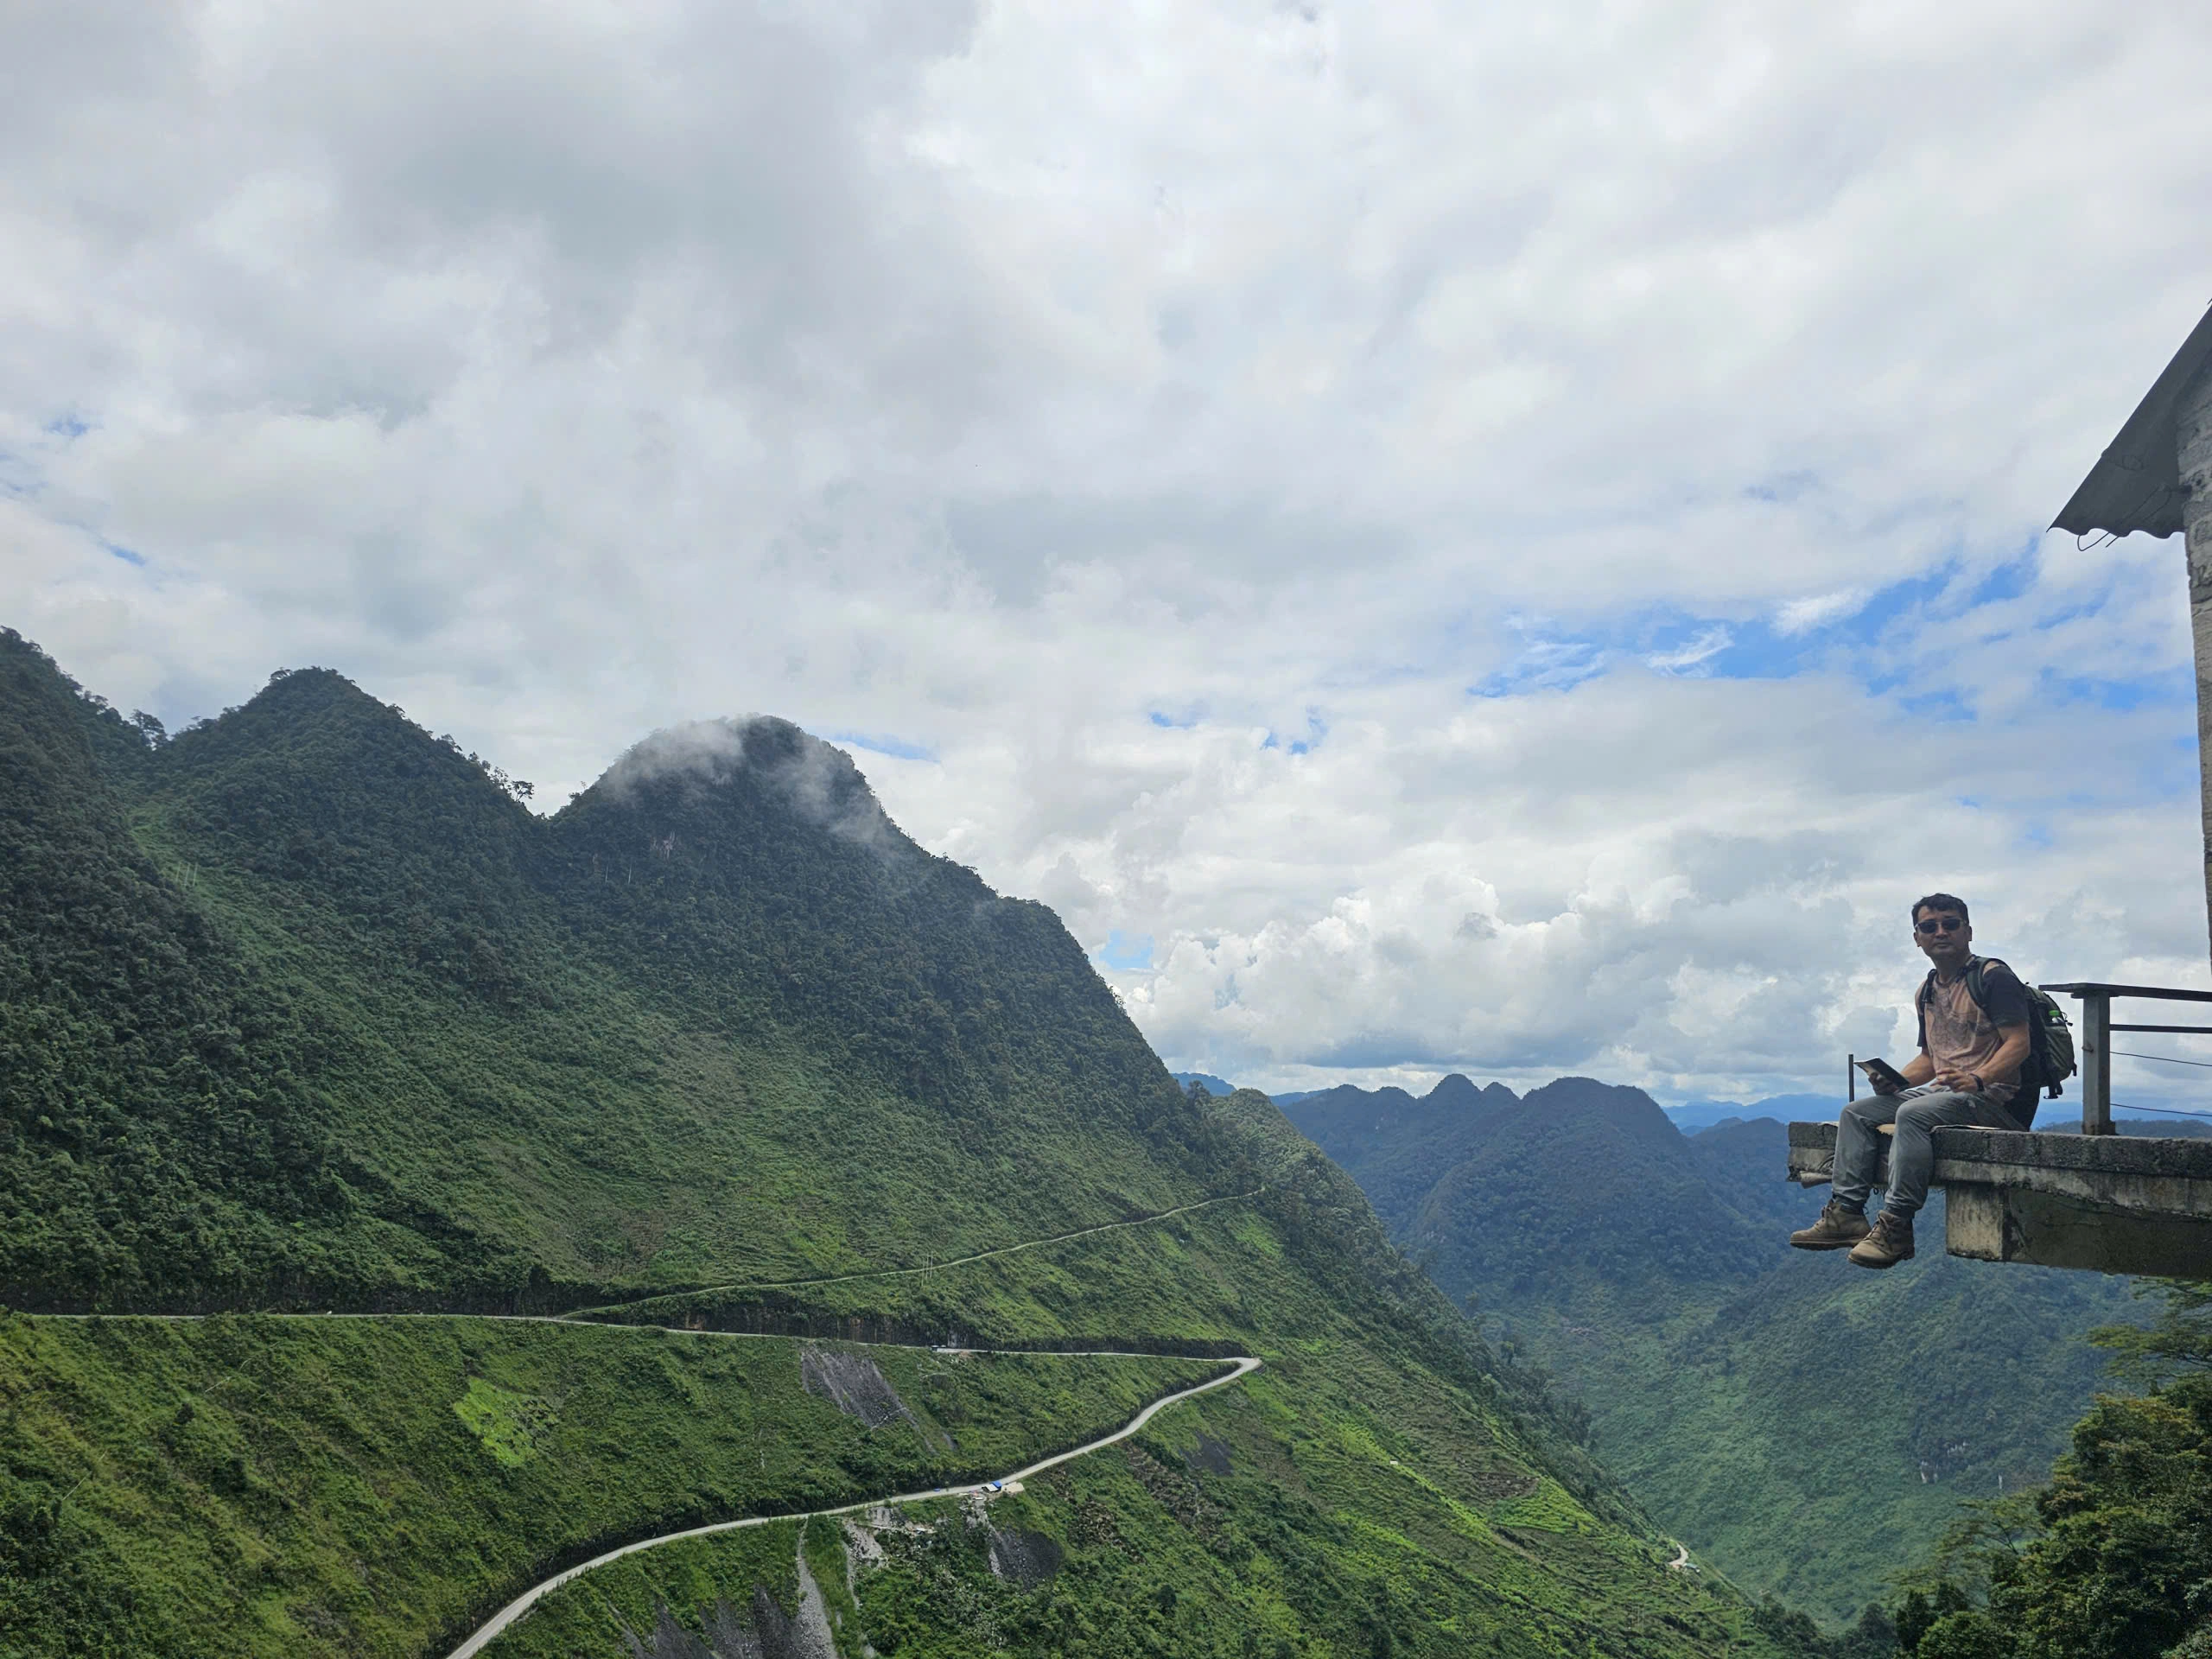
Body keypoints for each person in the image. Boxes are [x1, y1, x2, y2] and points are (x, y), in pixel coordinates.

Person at [1789, 893, 2033, 1268]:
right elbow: (1929, 1059)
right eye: (1929, 926)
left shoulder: (1993, 978)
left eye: (1950, 924)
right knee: (1856, 1113)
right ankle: (1846, 1215)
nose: (1940, 932)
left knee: (1913, 1114)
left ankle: (1896, 1226)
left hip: (1994, 1100)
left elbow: (2019, 1043)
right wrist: (1896, 1082)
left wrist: (1978, 1080)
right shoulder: (1928, 990)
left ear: (1968, 931)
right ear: (1916, 937)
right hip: (1943, 1094)